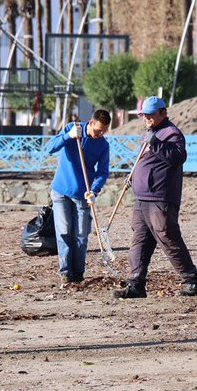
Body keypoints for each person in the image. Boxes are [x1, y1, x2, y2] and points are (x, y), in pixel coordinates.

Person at [114, 96, 197, 299]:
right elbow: (144, 160)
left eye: (150, 115)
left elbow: (177, 157)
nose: (146, 119)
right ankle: (135, 284)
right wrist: (133, 176)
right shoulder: (151, 132)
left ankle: (193, 281)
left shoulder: (171, 133)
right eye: (143, 115)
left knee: (168, 237)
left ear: (163, 113)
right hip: (142, 198)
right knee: (139, 241)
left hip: (160, 197)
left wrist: (156, 143)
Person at [46, 110, 111, 285]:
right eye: (98, 130)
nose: (100, 134)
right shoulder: (72, 128)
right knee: (65, 231)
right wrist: (68, 136)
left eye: (104, 131)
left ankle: (78, 272)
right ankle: (66, 272)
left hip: (84, 193)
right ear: (90, 122)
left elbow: (103, 172)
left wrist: (94, 190)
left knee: (82, 234)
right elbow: (50, 148)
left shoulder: (103, 145)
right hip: (61, 190)